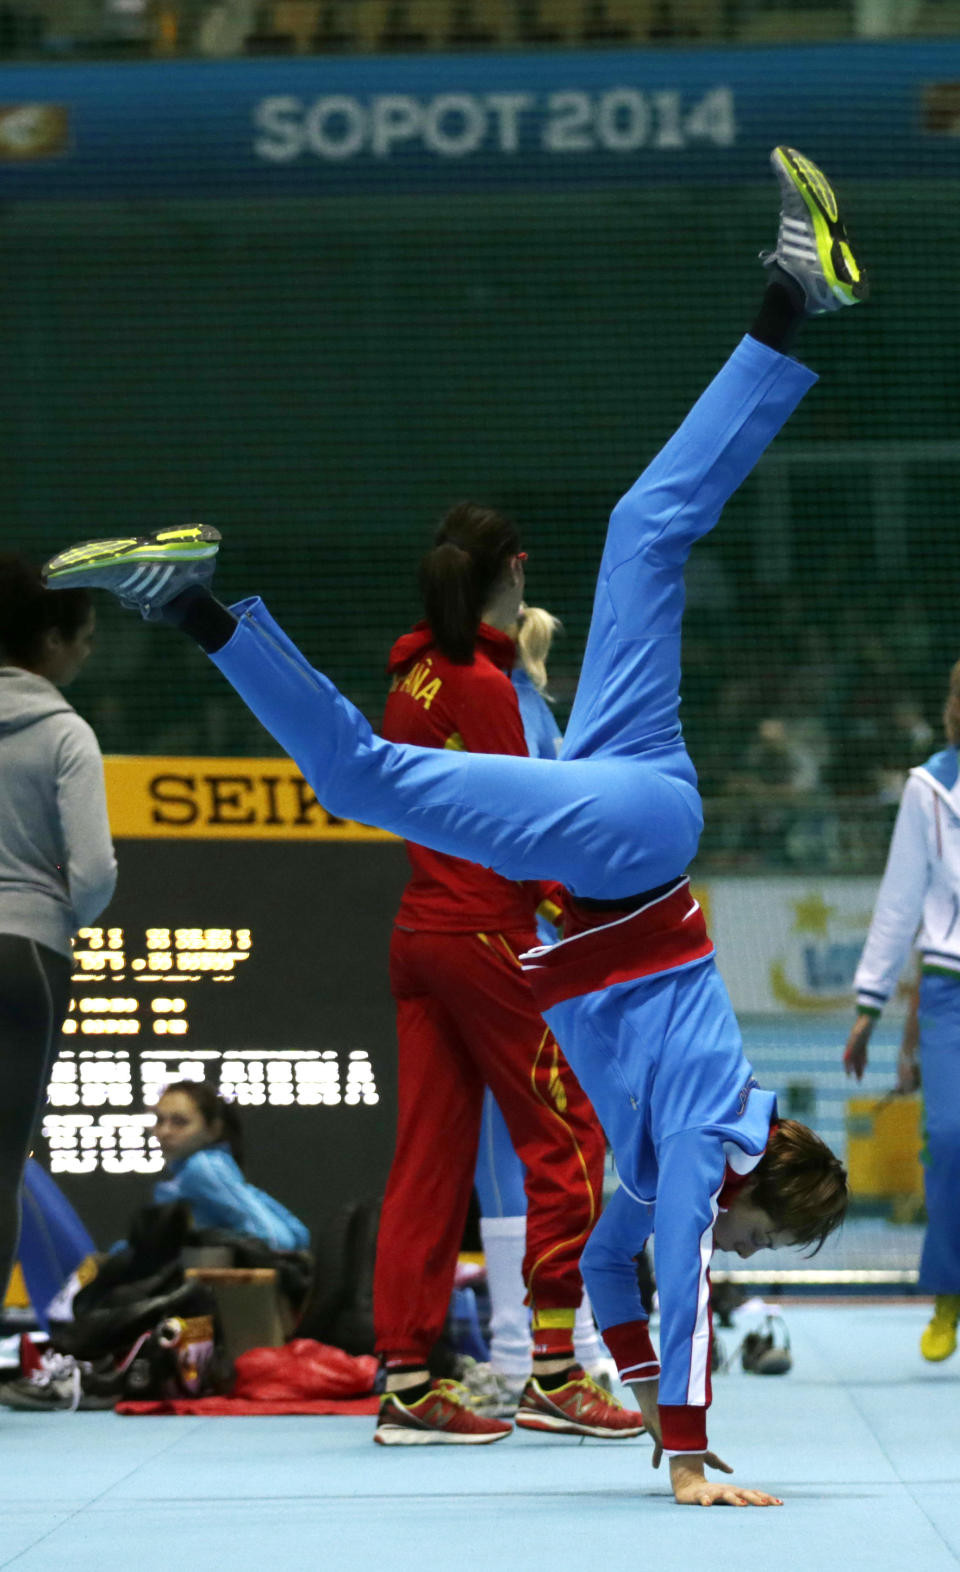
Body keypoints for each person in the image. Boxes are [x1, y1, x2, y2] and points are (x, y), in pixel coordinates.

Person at [43, 144, 863, 1504]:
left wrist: (624, 1386)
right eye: (768, 1247)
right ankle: (192, 607)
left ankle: (795, 291)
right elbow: (678, 1282)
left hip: (626, 813)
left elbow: (616, 1277)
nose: (745, 1261)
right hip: (628, 850)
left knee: (644, 527)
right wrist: (690, 1452)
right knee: (364, 779)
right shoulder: (713, 1144)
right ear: (769, 1198)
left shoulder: (664, 1180)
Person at [378, 546, 622, 1438]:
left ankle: (406, 1384)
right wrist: (583, 909)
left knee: (427, 1162)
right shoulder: (488, 687)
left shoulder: (413, 678)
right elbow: (525, 829)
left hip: (421, 933)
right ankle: (555, 1370)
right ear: (512, 576)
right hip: (488, 933)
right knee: (571, 1140)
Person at [0, 555, 116, 1305]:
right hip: (26, 963)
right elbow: (96, 869)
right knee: (2, 1164)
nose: (89, 649)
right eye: (85, 634)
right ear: (49, 638)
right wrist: (54, 918)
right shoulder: (67, 734)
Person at [843, 657, 960, 1364]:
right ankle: (950, 1290)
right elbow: (899, 899)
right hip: (950, 988)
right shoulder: (929, 788)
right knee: (948, 1138)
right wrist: (869, 1004)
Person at [152, 1080, 310, 1250]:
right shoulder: (205, 1168)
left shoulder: (202, 1168)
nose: (164, 1132)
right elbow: (298, 1235)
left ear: (213, 1130)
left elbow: (277, 1242)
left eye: (179, 1122)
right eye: (160, 1121)